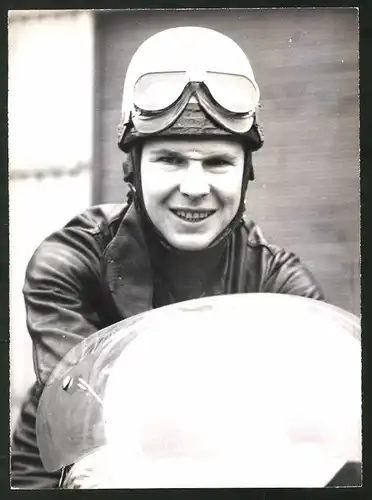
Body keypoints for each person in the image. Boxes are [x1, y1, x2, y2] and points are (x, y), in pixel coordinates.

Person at [11, 26, 324, 488]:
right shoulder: (69, 261)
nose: (195, 188)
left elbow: (317, 435)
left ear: (246, 172)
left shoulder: (281, 284)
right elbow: (88, 433)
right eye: (171, 159)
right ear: (133, 169)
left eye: (218, 162)